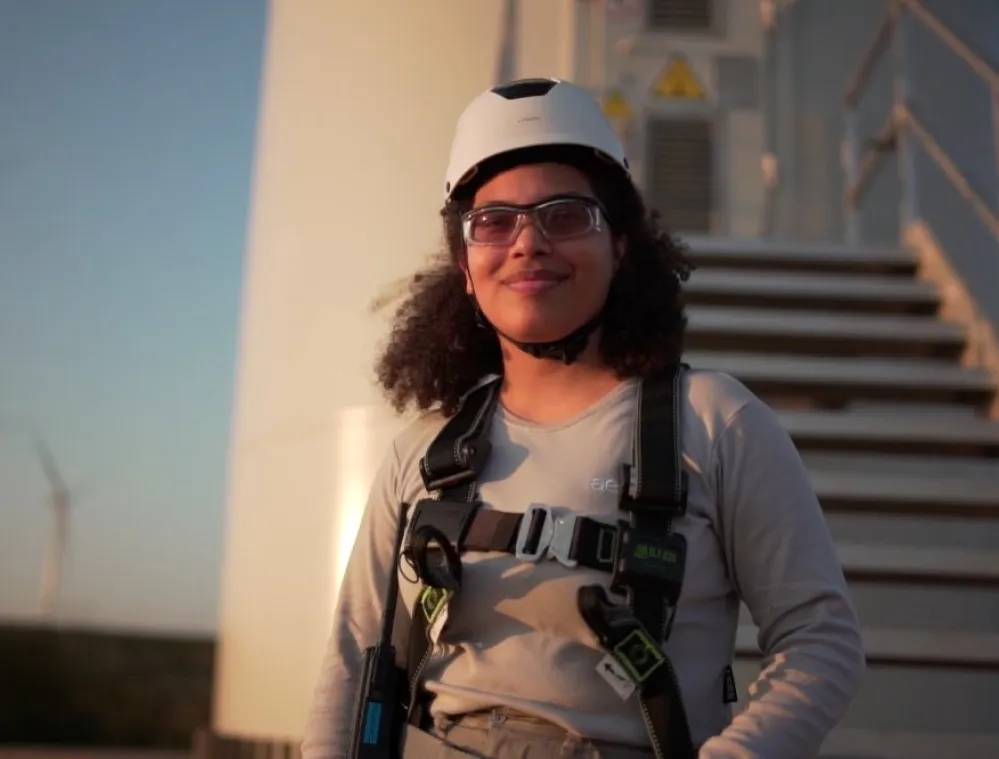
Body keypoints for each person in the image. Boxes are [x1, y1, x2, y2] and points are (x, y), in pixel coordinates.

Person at [302, 77, 866, 759]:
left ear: (620, 244)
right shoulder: (424, 450)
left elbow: (820, 641)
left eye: (565, 215)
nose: (527, 243)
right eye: (495, 221)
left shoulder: (715, 423)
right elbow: (351, 657)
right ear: (464, 263)